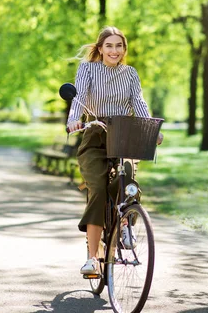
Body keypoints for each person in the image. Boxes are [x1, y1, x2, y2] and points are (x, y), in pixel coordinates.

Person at [67, 26, 163, 276]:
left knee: (127, 181)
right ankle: (91, 259)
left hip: (124, 133)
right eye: (109, 45)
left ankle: (124, 223)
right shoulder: (88, 69)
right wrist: (74, 120)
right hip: (95, 133)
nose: (114, 50)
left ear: (124, 50)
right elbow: (78, 98)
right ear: (100, 48)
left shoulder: (130, 73)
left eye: (119, 46)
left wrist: (151, 130)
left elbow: (138, 102)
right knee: (98, 189)